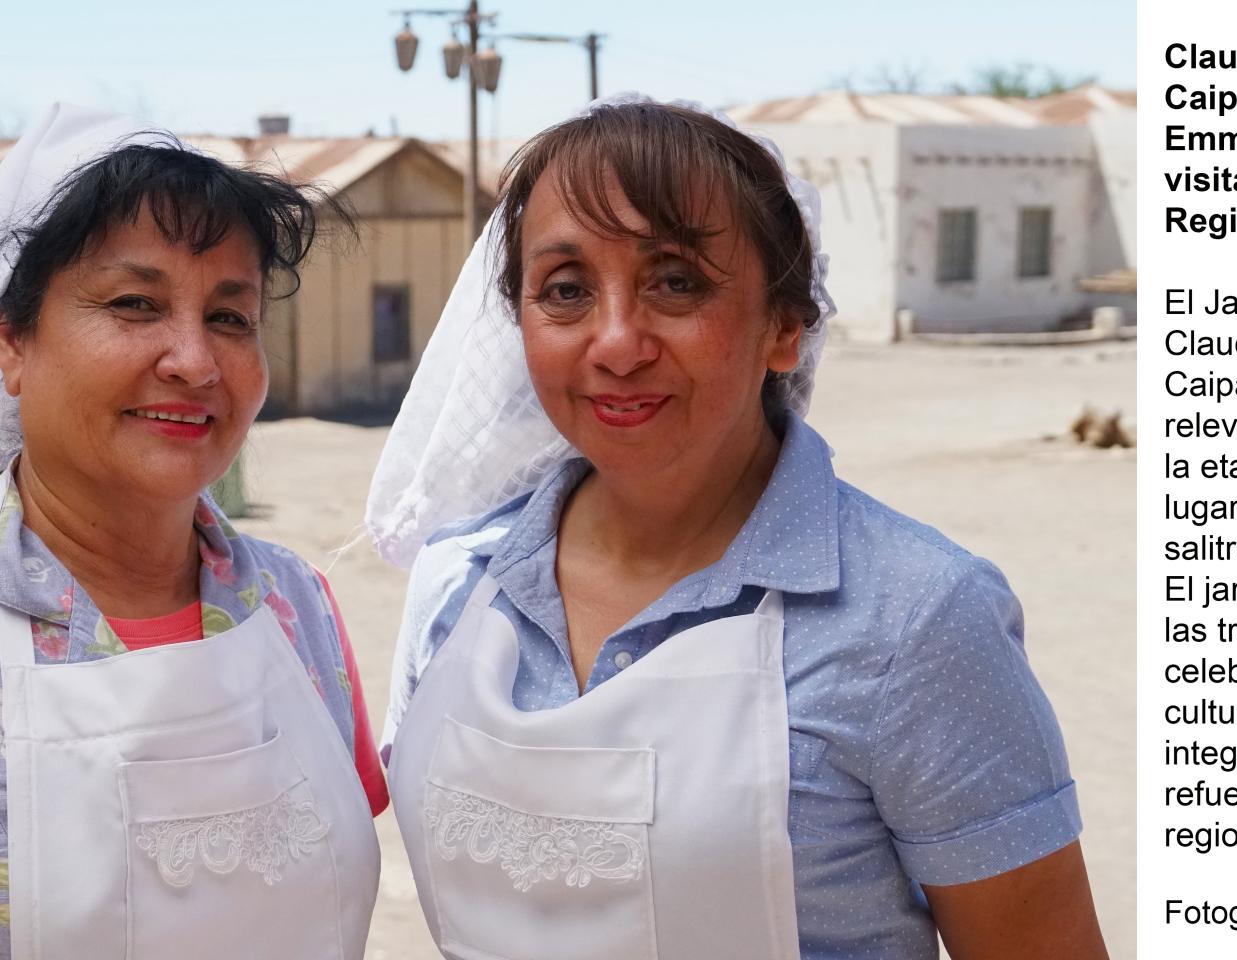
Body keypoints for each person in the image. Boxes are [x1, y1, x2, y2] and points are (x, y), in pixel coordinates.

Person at [370, 96, 1109, 960]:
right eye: (565, 290)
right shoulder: (460, 584)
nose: (615, 342)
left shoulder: (916, 620)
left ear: (786, 326)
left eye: (676, 281)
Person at [0, 103, 384, 960]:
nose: (195, 361)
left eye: (229, 317)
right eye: (136, 304)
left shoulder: (296, 607)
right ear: (12, 345)